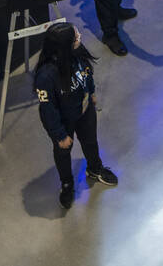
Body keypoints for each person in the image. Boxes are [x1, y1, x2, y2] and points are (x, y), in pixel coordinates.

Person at [33, 22, 117, 210]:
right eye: (76, 37)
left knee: (90, 141)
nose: (79, 37)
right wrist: (59, 135)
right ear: (63, 47)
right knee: (63, 153)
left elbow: (87, 74)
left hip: (84, 110)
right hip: (63, 121)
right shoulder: (46, 75)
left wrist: (92, 93)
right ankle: (67, 184)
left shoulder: (77, 52)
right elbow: (48, 109)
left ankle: (95, 169)